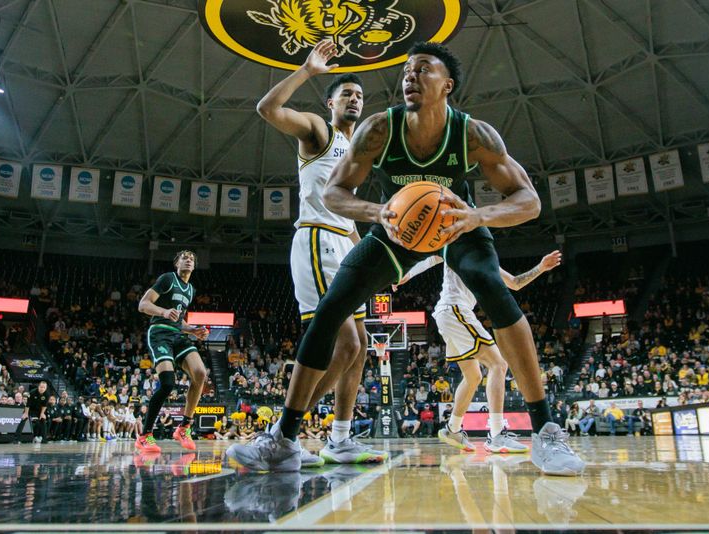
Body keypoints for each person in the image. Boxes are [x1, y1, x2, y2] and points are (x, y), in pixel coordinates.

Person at [227, 41, 584, 476]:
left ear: (447, 85)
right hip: (396, 226)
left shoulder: (473, 133)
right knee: (331, 307)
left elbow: (528, 200)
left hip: (456, 223)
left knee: (492, 286)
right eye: (407, 71)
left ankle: (545, 430)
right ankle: (284, 438)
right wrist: (377, 212)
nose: (410, 76)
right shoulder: (379, 128)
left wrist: (478, 216)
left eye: (423, 70)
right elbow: (334, 193)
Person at [235, 39, 386, 467]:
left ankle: (339, 438)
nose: (354, 99)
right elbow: (267, 109)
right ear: (331, 101)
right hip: (317, 241)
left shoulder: (357, 153)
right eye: (347, 94)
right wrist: (306, 69)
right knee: (346, 344)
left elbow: (349, 216)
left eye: (360, 95)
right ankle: (282, 435)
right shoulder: (319, 130)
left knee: (357, 351)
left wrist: (368, 258)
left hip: (343, 243)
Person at [396, 250, 562, 453]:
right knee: (498, 364)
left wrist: (541, 267)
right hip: (454, 309)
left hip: (449, 313)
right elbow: (432, 257)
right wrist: (407, 274)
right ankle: (497, 434)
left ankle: (453, 429)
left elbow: (515, 283)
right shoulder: (457, 243)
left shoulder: (485, 257)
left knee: (473, 376)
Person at [135, 250, 209, 453]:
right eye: (184, 258)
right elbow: (143, 304)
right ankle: (145, 436)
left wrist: (192, 330)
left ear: (194, 266)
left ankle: (184, 427)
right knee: (168, 383)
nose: (188, 260)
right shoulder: (168, 279)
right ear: (177, 263)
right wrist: (163, 312)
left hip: (178, 335)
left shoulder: (190, 289)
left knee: (201, 373)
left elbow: (179, 319)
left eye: (192, 259)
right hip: (159, 332)